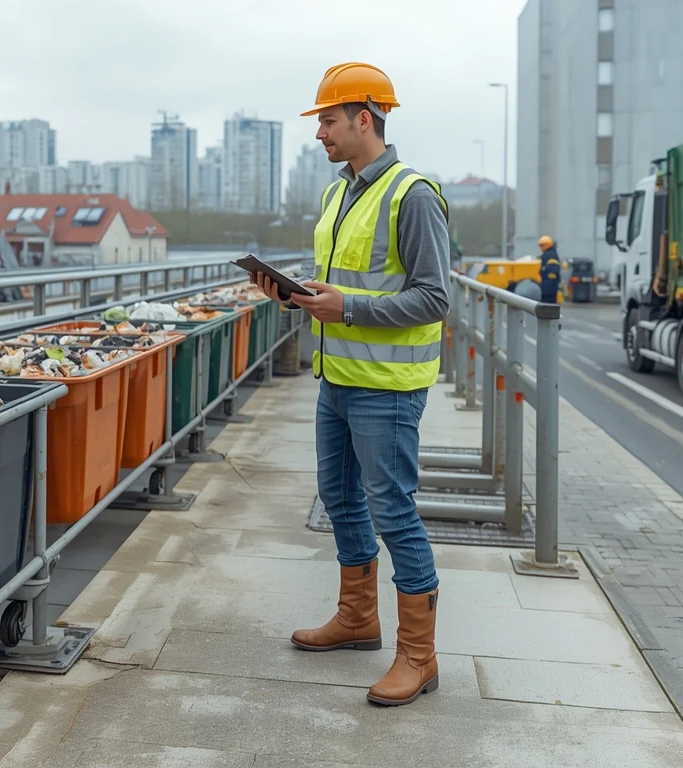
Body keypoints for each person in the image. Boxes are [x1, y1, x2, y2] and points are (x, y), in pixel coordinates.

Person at [252, 62, 450, 707]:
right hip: (336, 375)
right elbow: (341, 281)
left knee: (393, 511)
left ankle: (419, 657)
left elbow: (433, 297)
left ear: (365, 118)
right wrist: (298, 296)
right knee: (339, 498)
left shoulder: (412, 193)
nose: (320, 134)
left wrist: (349, 309)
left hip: (387, 388)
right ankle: (357, 618)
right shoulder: (340, 192)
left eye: (328, 122)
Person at [538, 235, 561, 304]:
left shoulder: (548, 255)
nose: (541, 248)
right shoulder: (552, 254)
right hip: (552, 287)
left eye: (542, 245)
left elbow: (552, 270)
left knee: (547, 307)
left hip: (547, 288)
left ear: (547, 245)